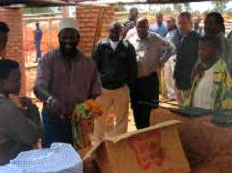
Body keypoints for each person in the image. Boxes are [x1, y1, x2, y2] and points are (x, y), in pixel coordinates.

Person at [34, 18, 102, 148]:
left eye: (72, 37)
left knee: (78, 159)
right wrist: (50, 100)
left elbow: (95, 91)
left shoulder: (88, 63)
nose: (68, 41)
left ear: (78, 38)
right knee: (55, 161)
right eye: (65, 37)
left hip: (78, 123)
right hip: (53, 122)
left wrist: (85, 109)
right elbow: (39, 86)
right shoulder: (48, 59)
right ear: (59, 37)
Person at [93, 22, 137, 143]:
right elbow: (95, 67)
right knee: (99, 119)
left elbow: (133, 68)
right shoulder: (101, 46)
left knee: (121, 120)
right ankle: (98, 144)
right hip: (103, 90)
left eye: (117, 32)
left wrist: (128, 85)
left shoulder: (128, 47)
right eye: (112, 31)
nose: (114, 34)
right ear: (109, 32)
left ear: (121, 32)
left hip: (121, 89)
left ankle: (120, 143)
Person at [127, 17, 173, 129]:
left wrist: (162, 60)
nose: (141, 29)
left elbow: (171, 47)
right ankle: (140, 132)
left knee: (151, 109)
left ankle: (151, 132)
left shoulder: (155, 38)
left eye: (143, 26)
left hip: (150, 80)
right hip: (136, 82)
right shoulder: (130, 40)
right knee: (137, 108)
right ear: (136, 27)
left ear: (148, 27)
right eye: (139, 27)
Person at [0, 59, 42, 165]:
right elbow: (33, 136)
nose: (19, 85)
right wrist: (32, 109)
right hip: (9, 165)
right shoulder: (7, 108)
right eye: (15, 80)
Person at [174, 12, 199, 106]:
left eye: (184, 23)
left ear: (191, 24)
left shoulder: (196, 38)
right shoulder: (183, 37)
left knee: (188, 110)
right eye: (179, 23)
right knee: (182, 108)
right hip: (179, 80)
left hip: (189, 83)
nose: (181, 26)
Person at [188, 36, 220, 109]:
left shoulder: (222, 74)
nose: (200, 53)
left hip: (210, 117)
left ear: (215, 51)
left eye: (204, 50)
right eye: (199, 49)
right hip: (196, 115)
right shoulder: (199, 70)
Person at [204, 12, 232, 76]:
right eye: (205, 23)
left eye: (210, 23)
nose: (206, 27)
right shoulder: (204, 44)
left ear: (220, 26)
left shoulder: (227, 46)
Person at [163, 17, 178, 100]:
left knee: (174, 76)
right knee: (167, 76)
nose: (167, 24)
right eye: (167, 22)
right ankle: (171, 94)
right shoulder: (167, 33)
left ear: (174, 23)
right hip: (167, 57)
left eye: (169, 22)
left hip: (174, 56)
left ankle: (177, 95)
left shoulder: (177, 32)